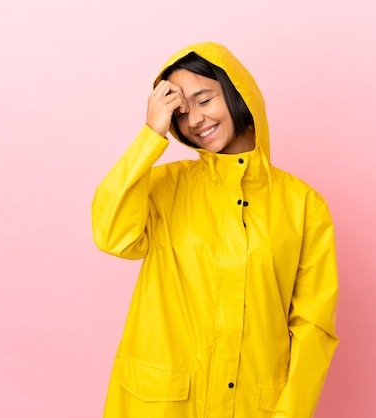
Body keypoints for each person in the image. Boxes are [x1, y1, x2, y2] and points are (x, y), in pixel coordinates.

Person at [91, 42, 339, 418]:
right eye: (182, 113)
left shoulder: (303, 205)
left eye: (204, 100)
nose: (195, 121)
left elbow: (313, 325)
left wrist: (289, 413)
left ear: (237, 93)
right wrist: (149, 135)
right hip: (160, 404)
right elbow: (112, 234)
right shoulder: (163, 187)